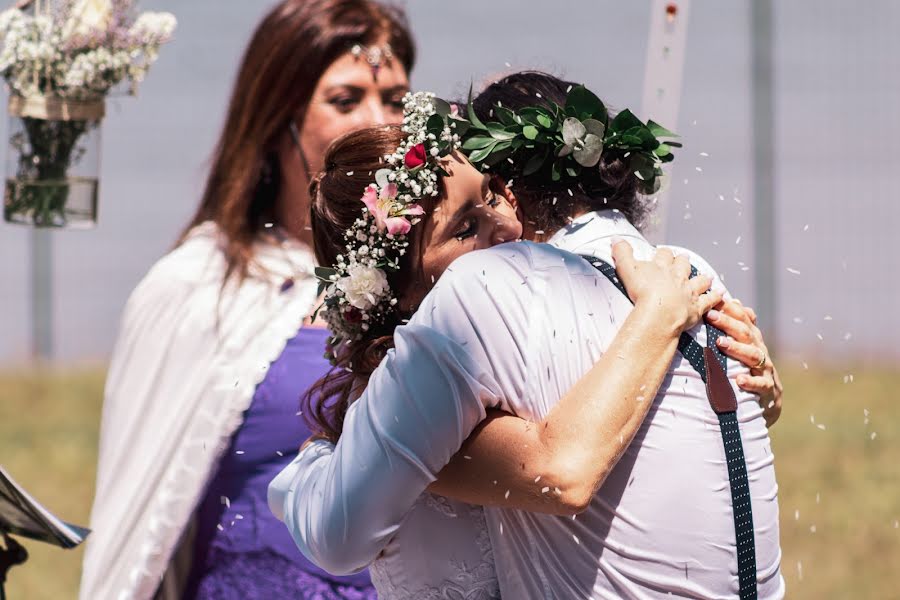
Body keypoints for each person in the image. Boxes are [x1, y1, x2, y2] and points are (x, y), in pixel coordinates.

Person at [270, 78, 784, 598]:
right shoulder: (675, 275)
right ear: (397, 291)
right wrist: (656, 317)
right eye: (465, 228)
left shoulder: (503, 312)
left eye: (494, 195)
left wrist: (747, 383)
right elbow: (560, 469)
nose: (505, 226)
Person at [79, 1, 414, 599]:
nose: (378, 123)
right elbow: (138, 511)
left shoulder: (435, 278)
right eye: (345, 100)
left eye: (394, 99)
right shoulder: (199, 285)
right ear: (277, 117)